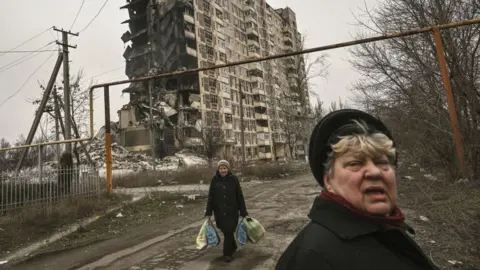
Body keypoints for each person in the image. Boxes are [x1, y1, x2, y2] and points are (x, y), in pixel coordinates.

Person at [275, 109, 439, 270]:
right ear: (328, 182)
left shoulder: (388, 229)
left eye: (382, 162)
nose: (375, 172)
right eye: (355, 163)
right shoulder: (311, 258)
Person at [205, 160, 248, 262]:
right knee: (226, 232)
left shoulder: (234, 179)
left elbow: (239, 196)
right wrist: (208, 212)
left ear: (228, 169)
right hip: (219, 212)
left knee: (229, 231)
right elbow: (211, 197)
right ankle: (233, 247)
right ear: (218, 169)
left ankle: (227, 254)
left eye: (224, 168)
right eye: (221, 168)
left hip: (232, 211)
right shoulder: (214, 180)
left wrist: (243, 211)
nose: (223, 170)